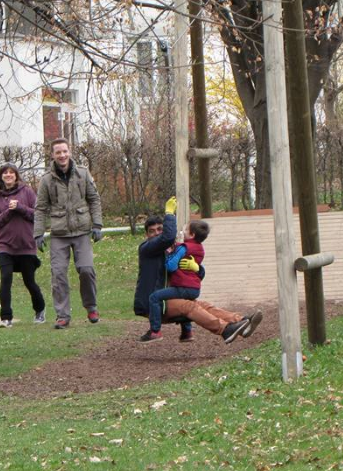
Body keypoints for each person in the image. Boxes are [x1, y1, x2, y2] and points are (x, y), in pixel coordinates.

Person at [134, 196, 263, 343]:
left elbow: (191, 275)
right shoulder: (147, 248)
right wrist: (169, 214)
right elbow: (167, 237)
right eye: (152, 231)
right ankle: (225, 330)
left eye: (159, 229)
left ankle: (241, 322)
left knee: (204, 305)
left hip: (169, 298)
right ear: (146, 235)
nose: (156, 233)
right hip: (154, 304)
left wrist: (197, 268)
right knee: (190, 306)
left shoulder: (172, 251)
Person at [33, 138, 103, 329]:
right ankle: (62, 315)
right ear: (53, 155)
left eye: (65, 151)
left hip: (82, 230)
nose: (62, 155)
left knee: (86, 269)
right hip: (59, 233)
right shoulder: (47, 179)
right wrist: (38, 233)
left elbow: (94, 199)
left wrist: (97, 224)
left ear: (69, 152)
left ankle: (91, 307)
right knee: (58, 274)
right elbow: (40, 208)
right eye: (58, 152)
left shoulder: (82, 173)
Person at [0, 162, 46, 327]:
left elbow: (37, 215)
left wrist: (20, 207)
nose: (8, 175)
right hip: (5, 246)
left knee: (29, 281)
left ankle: (40, 310)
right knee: (6, 279)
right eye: (5, 173)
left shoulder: (27, 192)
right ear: (1, 177)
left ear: (16, 176)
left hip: (26, 245)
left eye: (11, 173)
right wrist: (8, 211)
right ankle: (6, 317)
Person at [142, 219, 210, 342]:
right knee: (187, 303)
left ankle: (155, 331)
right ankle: (187, 332)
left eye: (185, 230)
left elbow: (171, 266)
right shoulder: (199, 247)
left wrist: (170, 255)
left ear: (192, 234)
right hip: (193, 287)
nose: (182, 232)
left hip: (183, 286)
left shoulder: (183, 247)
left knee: (155, 297)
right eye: (152, 231)